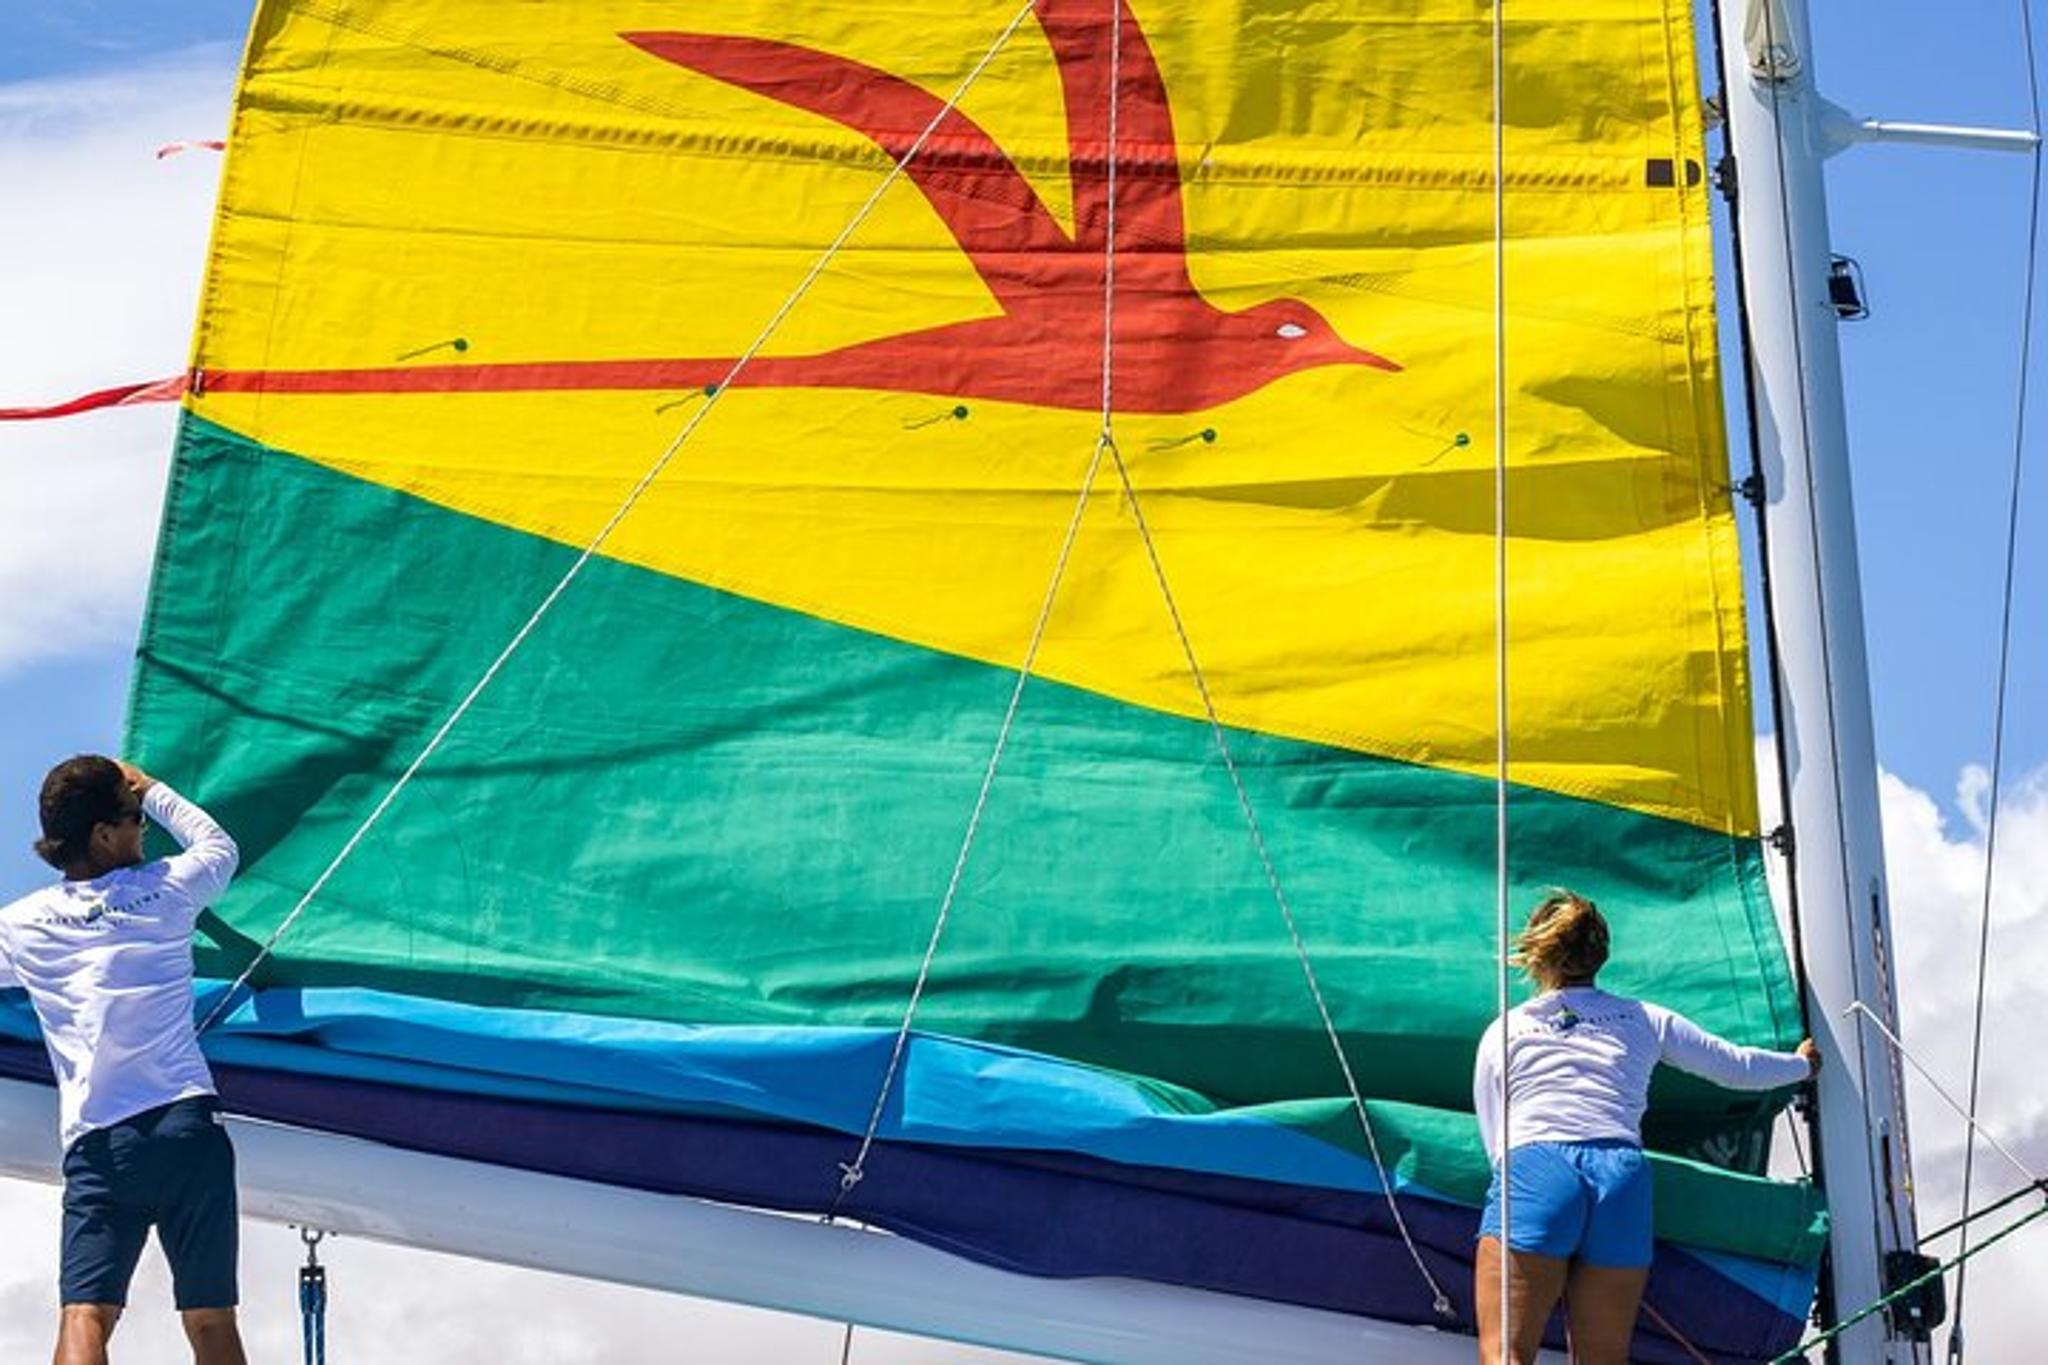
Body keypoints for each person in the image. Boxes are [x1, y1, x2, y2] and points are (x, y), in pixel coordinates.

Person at [1471, 890, 1818, 1365]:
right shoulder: (1643, 1018)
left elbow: (1496, 1134)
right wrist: (1801, 1067)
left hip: (1538, 1171)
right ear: (1602, 954)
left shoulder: (1506, 1028)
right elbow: (1736, 1067)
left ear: (1538, 952)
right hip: (1621, 1179)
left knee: (1506, 1354)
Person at [0, 756, 245, 1365]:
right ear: (104, 836)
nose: (143, 829)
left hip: (101, 1145)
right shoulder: (167, 887)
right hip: (187, 1129)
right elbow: (219, 845)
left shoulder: (20, 926)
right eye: (133, 817)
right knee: (210, 1317)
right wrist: (154, 786)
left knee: (86, 1312)